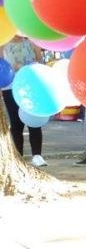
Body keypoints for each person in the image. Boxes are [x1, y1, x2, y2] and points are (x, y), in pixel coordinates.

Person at [2, 36, 47, 167]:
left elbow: (40, 61)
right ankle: (18, 156)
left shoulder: (32, 41)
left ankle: (37, 155)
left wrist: (30, 66)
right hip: (11, 88)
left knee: (34, 121)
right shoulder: (4, 43)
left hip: (30, 86)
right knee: (16, 123)